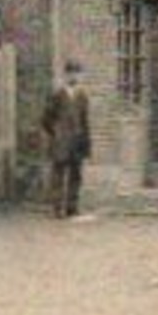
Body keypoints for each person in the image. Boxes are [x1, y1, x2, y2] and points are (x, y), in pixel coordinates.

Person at [42, 60, 91, 218]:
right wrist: (55, 133)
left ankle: (72, 207)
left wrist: (86, 141)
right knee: (58, 174)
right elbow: (46, 118)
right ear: (65, 75)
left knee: (76, 175)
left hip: (77, 140)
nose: (74, 76)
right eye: (71, 73)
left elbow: (85, 120)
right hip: (61, 141)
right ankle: (57, 208)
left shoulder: (82, 95)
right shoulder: (57, 94)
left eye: (77, 73)